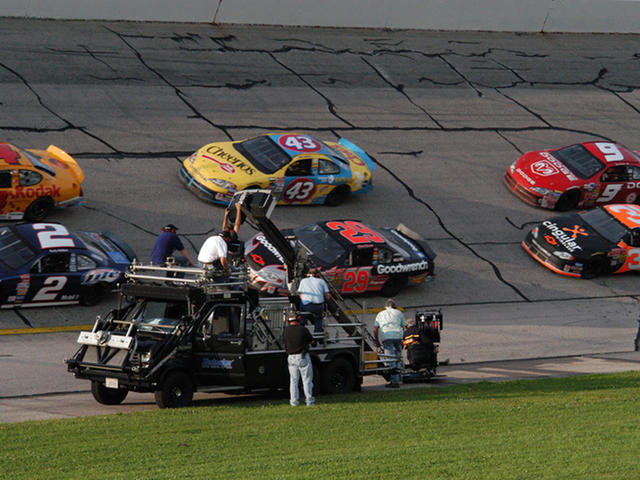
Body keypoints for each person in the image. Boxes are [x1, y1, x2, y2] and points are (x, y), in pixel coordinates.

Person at [284, 313, 316, 406]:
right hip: (302, 357)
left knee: (293, 381)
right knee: (307, 381)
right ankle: (309, 401)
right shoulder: (303, 329)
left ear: (289, 321)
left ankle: (293, 402)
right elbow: (312, 341)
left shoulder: (286, 330)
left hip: (291, 357)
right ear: (298, 320)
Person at [373, 298, 407, 388]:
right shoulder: (399, 313)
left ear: (385, 307)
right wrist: (403, 339)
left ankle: (394, 382)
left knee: (390, 358)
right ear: (394, 306)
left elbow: (375, 329)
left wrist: (377, 341)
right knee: (398, 357)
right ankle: (400, 377)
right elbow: (405, 327)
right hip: (398, 336)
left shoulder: (380, 314)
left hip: (387, 337)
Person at [297, 267, 330, 333]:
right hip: (319, 306)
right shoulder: (322, 281)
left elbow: (301, 295)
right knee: (318, 320)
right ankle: (317, 336)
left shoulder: (303, 281)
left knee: (302, 304)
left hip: (307, 306)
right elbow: (327, 296)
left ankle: (303, 321)